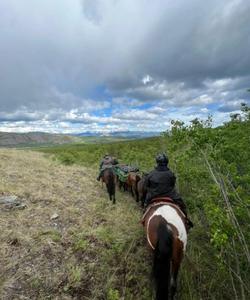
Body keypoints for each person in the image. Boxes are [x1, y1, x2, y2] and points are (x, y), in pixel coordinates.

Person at [144, 153, 193, 227]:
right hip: (170, 195)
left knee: (146, 205)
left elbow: (146, 186)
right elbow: (172, 185)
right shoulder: (170, 173)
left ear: (157, 162)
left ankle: (144, 219)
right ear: (167, 162)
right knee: (182, 205)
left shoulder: (151, 174)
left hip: (153, 195)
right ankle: (186, 219)